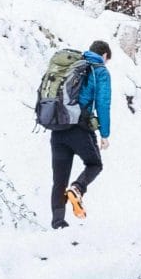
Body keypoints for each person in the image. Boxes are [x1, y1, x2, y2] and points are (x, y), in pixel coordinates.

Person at [50, 40, 113, 229]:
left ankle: (58, 223)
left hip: (58, 128)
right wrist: (105, 134)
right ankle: (78, 188)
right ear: (104, 56)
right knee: (95, 164)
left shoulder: (70, 65)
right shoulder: (99, 70)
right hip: (80, 128)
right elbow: (103, 103)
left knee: (59, 179)